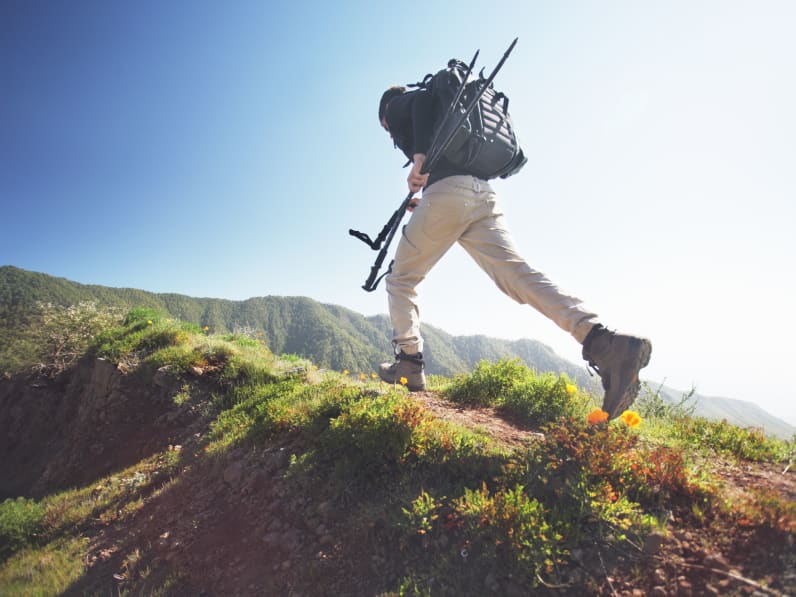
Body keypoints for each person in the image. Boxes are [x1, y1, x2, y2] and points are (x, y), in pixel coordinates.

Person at [375, 84, 651, 419]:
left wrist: (418, 157)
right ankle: (602, 341)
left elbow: (416, 102)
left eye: (385, 126)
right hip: (480, 194)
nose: (389, 132)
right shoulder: (448, 115)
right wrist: (430, 199)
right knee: (517, 275)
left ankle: (409, 363)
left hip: (450, 197)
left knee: (401, 279)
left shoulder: (398, 104)